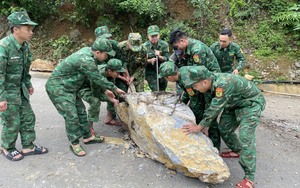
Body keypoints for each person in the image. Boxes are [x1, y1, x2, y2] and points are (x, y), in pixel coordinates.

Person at [182, 66, 265, 188]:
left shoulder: (222, 84)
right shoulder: (210, 84)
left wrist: (199, 127)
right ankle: (237, 150)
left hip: (250, 104)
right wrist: (206, 125)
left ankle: (249, 178)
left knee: (245, 136)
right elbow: (211, 107)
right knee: (224, 128)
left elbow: (215, 108)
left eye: (195, 85)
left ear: (204, 82)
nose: (194, 88)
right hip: (233, 104)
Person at [45, 38, 125, 157]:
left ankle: (88, 136)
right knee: (72, 115)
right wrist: (115, 89)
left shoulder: (89, 52)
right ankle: (74, 143)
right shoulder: (85, 59)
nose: (106, 57)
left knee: (81, 112)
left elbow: (95, 76)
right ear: (97, 52)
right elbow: (97, 77)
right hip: (58, 88)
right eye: (106, 54)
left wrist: (106, 90)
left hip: (71, 87)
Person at [0, 11, 48, 161]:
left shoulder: (25, 46)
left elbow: (25, 68)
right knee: (11, 121)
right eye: (28, 29)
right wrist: (1, 98)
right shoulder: (4, 47)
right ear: (16, 29)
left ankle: (28, 146)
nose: (31, 32)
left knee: (27, 117)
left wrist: (28, 83)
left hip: (20, 89)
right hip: (7, 90)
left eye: (31, 29)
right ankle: (7, 147)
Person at [158, 61, 220, 150]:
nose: (166, 80)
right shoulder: (181, 71)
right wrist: (181, 102)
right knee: (201, 118)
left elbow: (195, 101)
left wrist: (193, 117)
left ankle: (215, 147)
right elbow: (187, 93)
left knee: (209, 121)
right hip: (201, 93)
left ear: (171, 77)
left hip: (209, 95)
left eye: (165, 78)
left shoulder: (187, 82)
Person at [143, 25, 169, 91]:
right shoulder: (144, 47)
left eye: (156, 36)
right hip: (151, 72)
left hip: (162, 71)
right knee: (155, 91)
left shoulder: (164, 45)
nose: (154, 38)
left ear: (159, 35)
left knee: (162, 90)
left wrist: (160, 57)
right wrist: (149, 60)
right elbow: (141, 62)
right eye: (152, 36)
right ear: (148, 36)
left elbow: (167, 59)